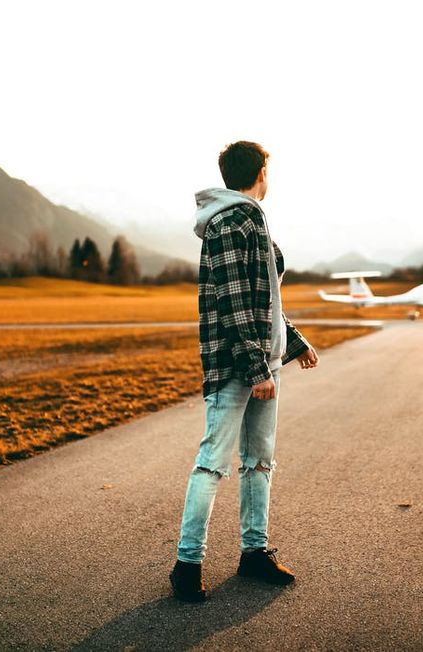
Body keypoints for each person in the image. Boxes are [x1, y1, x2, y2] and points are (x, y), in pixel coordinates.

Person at [169, 141, 319, 602]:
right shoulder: (235, 220)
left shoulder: (249, 218)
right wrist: (257, 370)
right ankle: (187, 564)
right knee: (212, 463)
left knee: (259, 461)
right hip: (238, 366)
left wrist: (294, 343)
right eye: (268, 172)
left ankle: (254, 553)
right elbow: (235, 304)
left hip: (262, 362)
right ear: (259, 174)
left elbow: (264, 300)